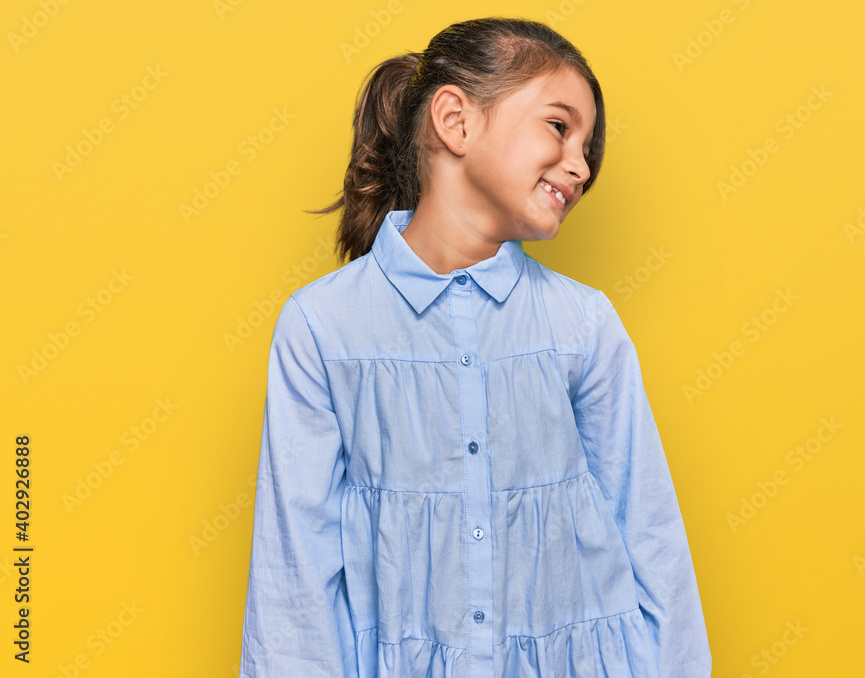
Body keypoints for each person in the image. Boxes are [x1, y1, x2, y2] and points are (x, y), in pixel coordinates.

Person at [239, 16, 711, 678]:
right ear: (455, 121)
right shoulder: (323, 327)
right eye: (559, 126)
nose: (580, 164)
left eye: (589, 148)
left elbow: (649, 534)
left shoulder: (583, 324)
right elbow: (294, 577)